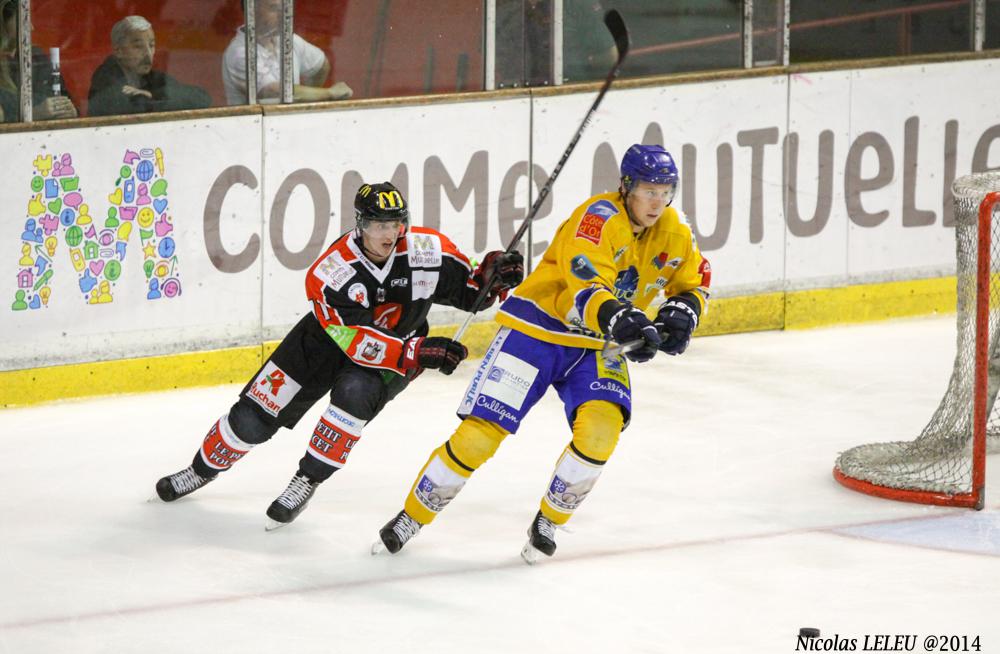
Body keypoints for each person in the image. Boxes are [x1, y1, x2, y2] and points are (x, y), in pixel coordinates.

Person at [374, 144, 712, 563]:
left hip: (595, 346)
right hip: (537, 332)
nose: (657, 202)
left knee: (602, 432)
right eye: (648, 190)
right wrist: (623, 318)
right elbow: (587, 286)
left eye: (666, 191)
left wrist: (684, 313)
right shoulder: (597, 220)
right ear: (625, 186)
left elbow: (695, 279)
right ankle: (412, 516)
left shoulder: (675, 228)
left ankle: (549, 520)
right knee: (481, 435)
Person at [155, 182, 524, 530]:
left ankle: (306, 480)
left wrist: (495, 274)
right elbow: (355, 340)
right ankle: (201, 470)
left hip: (397, 353)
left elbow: (472, 292)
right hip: (323, 344)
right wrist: (417, 351)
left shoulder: (427, 251)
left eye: (395, 223)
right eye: (379, 224)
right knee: (252, 419)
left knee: (352, 400)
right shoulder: (332, 272)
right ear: (361, 225)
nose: (388, 233)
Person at [222, 0, 352, 104]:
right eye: (273, 8)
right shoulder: (240, 52)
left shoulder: (289, 40)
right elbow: (274, 91)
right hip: (253, 131)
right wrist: (329, 93)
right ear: (252, 12)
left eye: (283, 8)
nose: (282, 15)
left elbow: (321, 65)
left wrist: (306, 101)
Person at [87, 16, 211, 117]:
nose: (148, 54)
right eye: (138, 46)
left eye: (151, 45)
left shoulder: (151, 76)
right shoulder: (105, 77)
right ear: (119, 51)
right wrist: (150, 100)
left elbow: (202, 98)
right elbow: (129, 110)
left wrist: (153, 95)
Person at [0, 0, 77, 121]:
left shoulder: (36, 58)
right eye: (22, 22)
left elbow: (62, 97)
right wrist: (34, 114)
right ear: (3, 28)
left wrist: (69, 111)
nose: (30, 28)